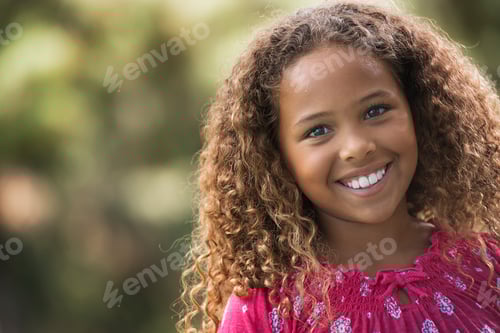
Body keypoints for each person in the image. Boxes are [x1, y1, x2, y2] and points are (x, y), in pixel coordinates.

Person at [175, 1, 500, 332]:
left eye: (375, 111)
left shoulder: (488, 266)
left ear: (419, 111)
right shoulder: (268, 313)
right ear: (277, 156)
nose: (357, 147)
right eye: (318, 131)